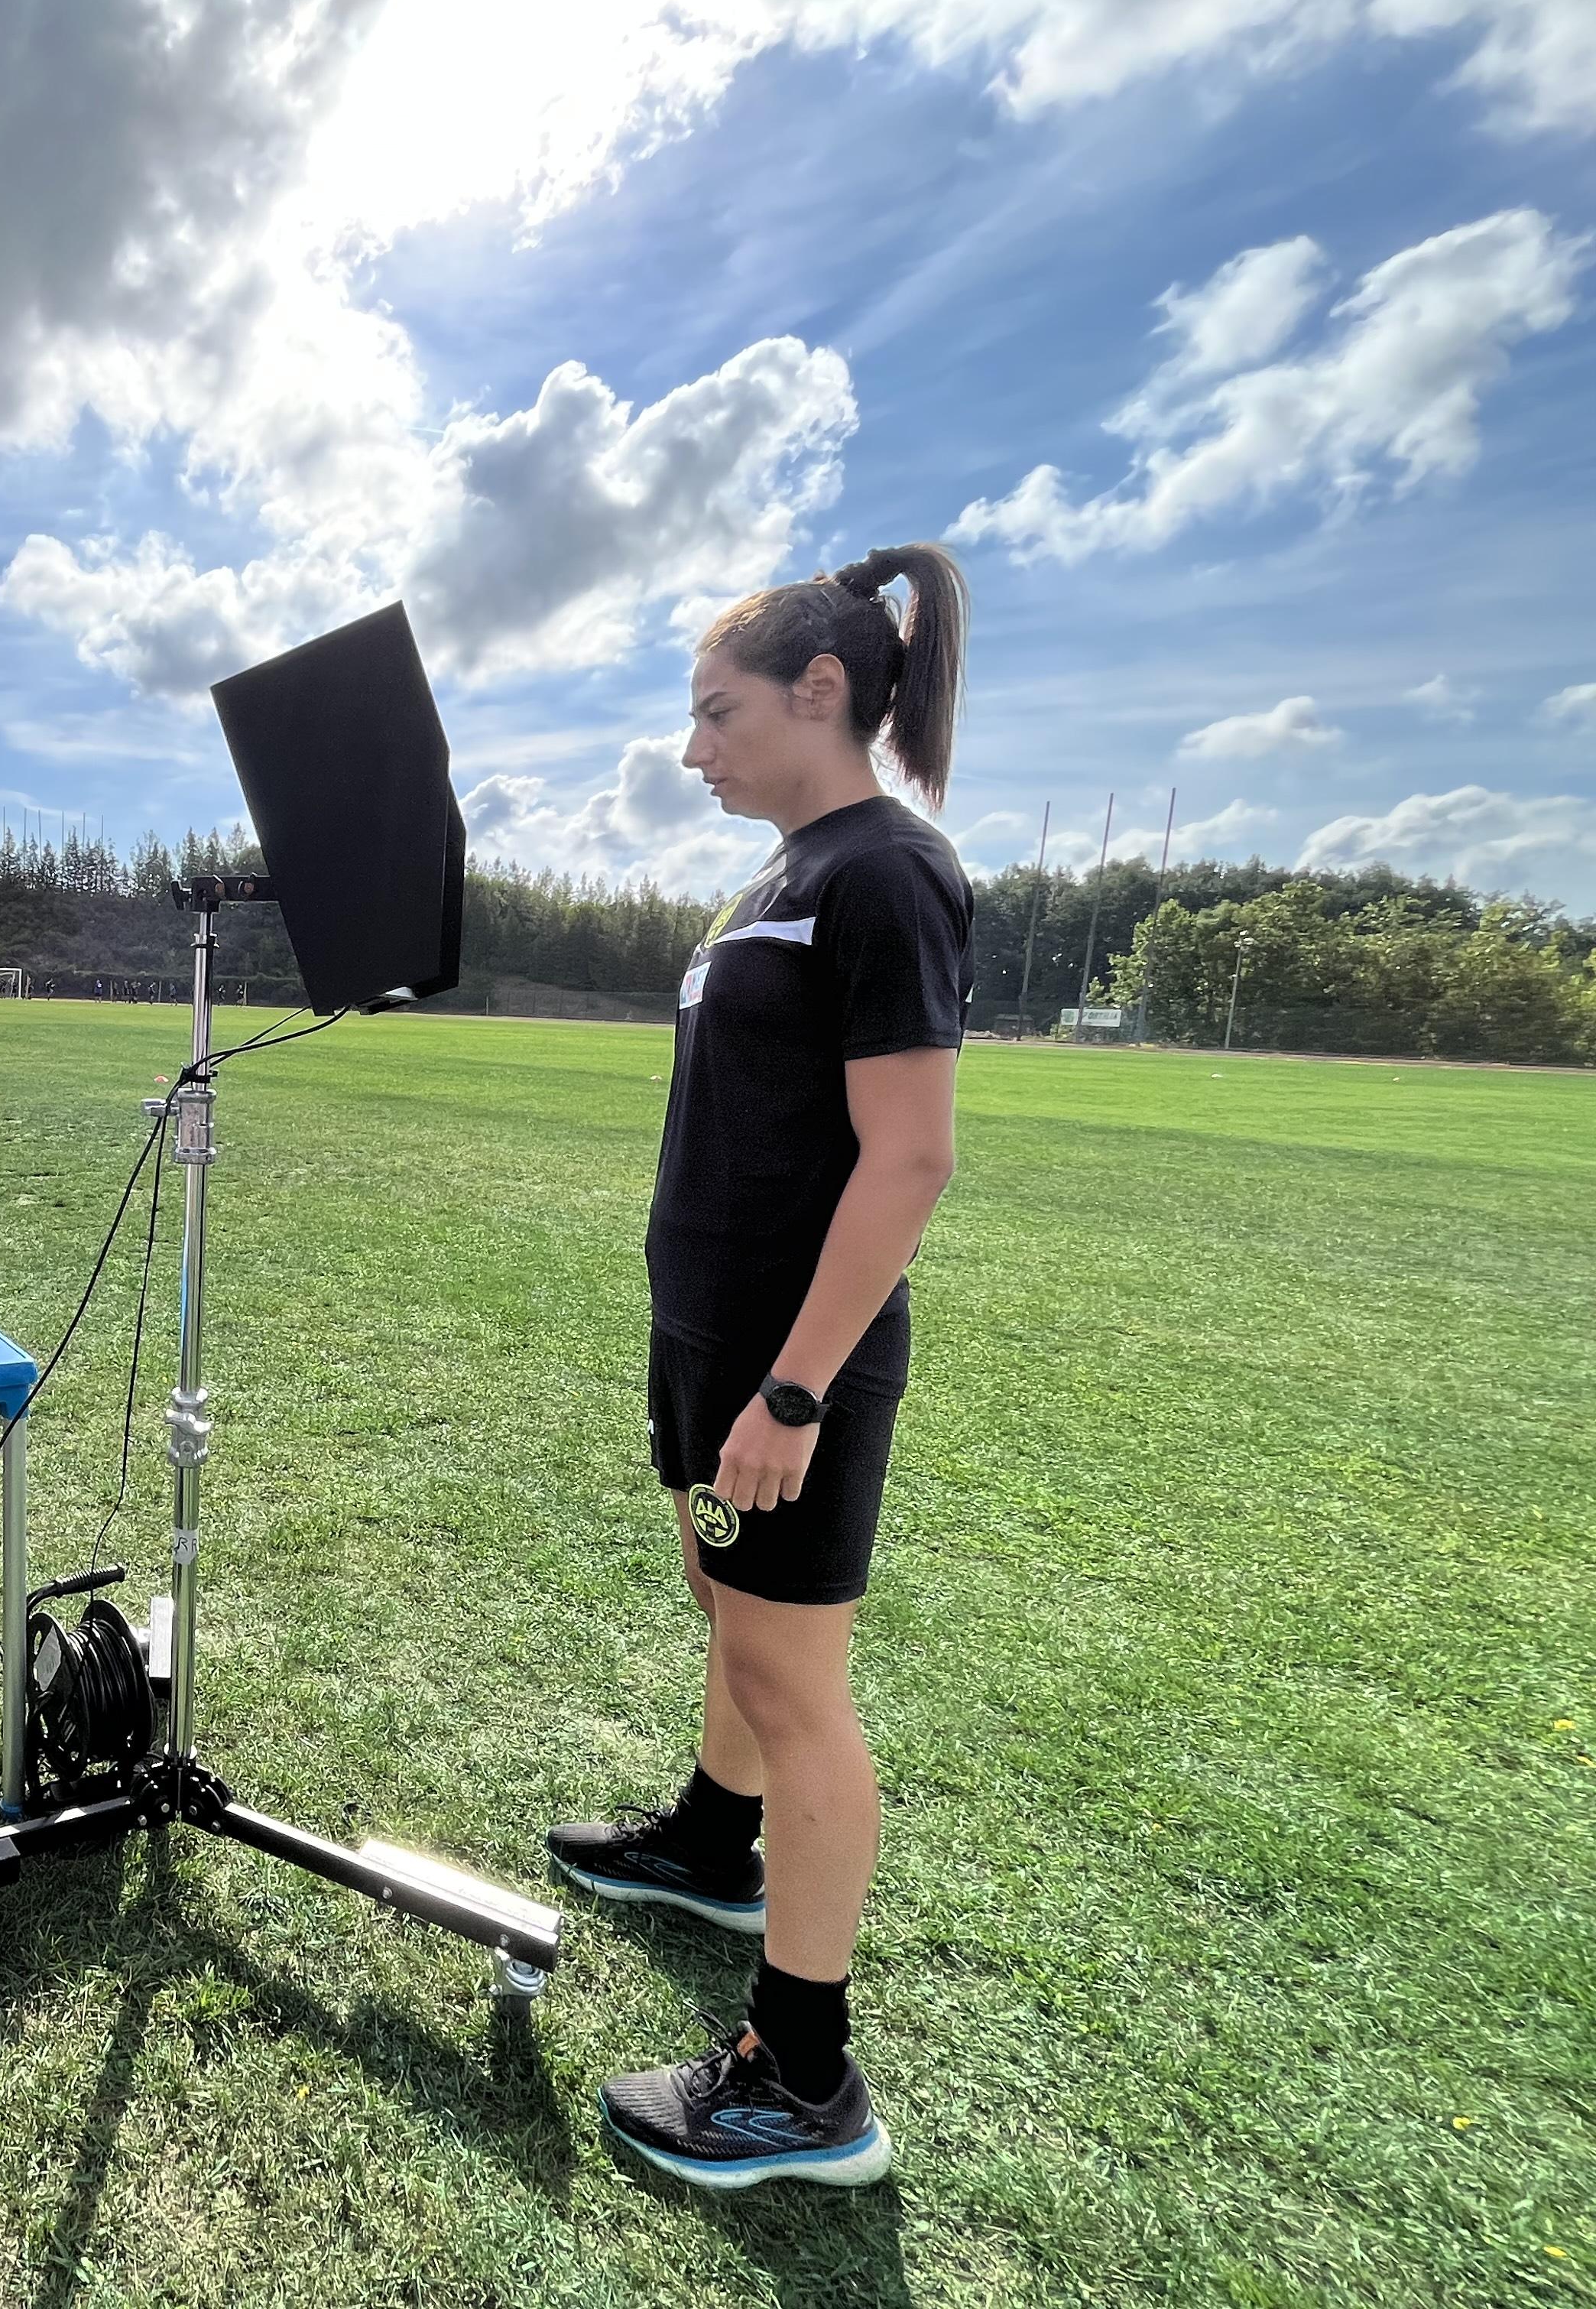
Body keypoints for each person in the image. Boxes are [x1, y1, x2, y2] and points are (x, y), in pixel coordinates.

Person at [547, 544, 972, 2193]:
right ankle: (711, 1846)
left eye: (716, 712)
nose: (691, 747)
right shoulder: (781, 876)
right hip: (712, 1337)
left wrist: (793, 1391)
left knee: (797, 1685)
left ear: (821, 690)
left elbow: (910, 1157)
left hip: (792, 1362)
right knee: (728, 1617)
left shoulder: (888, 872)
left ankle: (802, 2078)